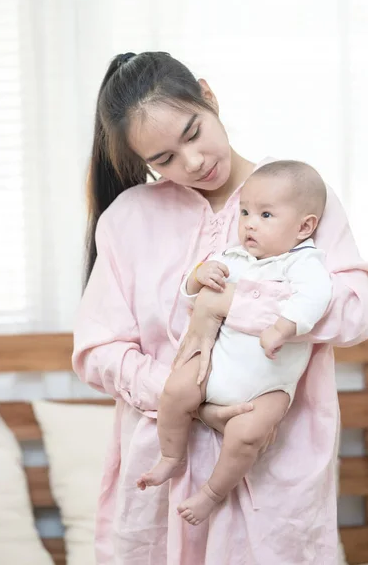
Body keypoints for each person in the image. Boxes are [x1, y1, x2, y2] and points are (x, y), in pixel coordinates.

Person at [72, 51, 368, 565]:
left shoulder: (295, 192)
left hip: (274, 467)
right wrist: (190, 400)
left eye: (193, 133)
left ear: (208, 95)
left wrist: (235, 307)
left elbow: (360, 310)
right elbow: (98, 351)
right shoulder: (129, 219)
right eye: (164, 160)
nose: (192, 163)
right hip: (161, 473)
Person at [137, 160, 333, 527]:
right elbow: (191, 294)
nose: (249, 223)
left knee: (248, 435)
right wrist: (199, 277)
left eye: (266, 214)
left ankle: (212, 492)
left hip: (268, 387)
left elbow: (317, 296)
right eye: (244, 212)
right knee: (177, 388)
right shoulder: (235, 256)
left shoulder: (303, 263)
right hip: (216, 369)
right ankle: (170, 455)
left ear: (304, 227)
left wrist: (285, 326)